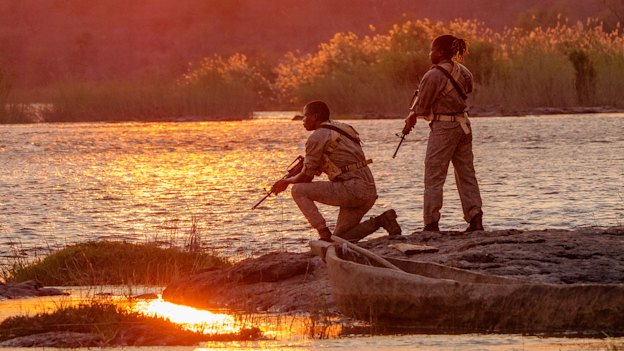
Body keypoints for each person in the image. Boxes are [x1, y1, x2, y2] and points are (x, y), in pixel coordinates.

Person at [271, 100, 401, 242]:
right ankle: (382, 221)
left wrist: (285, 181)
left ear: (315, 116)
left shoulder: (316, 137)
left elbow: (306, 178)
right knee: (340, 240)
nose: (303, 120)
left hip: (353, 190)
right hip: (368, 190)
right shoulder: (342, 128)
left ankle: (323, 233)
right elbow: (340, 159)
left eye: (305, 116)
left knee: (297, 190)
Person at [402, 34, 484, 232]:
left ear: (439, 52)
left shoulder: (433, 75)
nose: (430, 53)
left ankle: (431, 223)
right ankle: (475, 219)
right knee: (466, 173)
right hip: (464, 125)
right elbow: (468, 89)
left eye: (432, 50)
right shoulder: (463, 71)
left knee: (433, 176)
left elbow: (421, 107)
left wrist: (412, 116)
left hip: (444, 129)